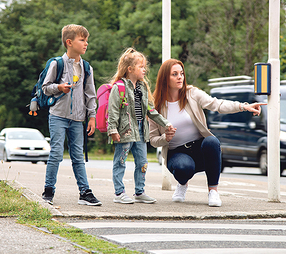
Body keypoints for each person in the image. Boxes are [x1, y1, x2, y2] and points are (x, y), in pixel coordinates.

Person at [149, 59, 265, 207]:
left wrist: (244, 106)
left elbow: (217, 104)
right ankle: (182, 184)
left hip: (199, 147)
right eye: (175, 74)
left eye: (182, 73)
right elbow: (153, 139)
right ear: (165, 78)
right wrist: (165, 137)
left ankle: (213, 191)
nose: (180, 77)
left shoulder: (192, 93)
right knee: (183, 168)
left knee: (212, 141)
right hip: (177, 152)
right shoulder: (156, 106)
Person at [41, 24, 101, 206]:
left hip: (78, 118)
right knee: (56, 154)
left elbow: (91, 94)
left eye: (86, 40)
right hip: (58, 115)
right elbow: (45, 88)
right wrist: (58, 87)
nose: (86, 44)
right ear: (69, 42)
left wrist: (92, 116)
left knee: (78, 156)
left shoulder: (87, 67)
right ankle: (48, 191)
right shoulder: (56, 63)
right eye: (82, 40)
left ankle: (85, 192)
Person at [107, 48, 174, 204]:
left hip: (141, 131)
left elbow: (151, 111)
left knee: (142, 163)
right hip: (124, 130)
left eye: (145, 67)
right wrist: (112, 130)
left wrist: (166, 123)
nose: (145, 70)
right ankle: (119, 193)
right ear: (130, 69)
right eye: (141, 67)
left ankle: (139, 192)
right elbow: (113, 111)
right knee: (120, 162)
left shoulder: (142, 88)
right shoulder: (119, 87)